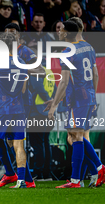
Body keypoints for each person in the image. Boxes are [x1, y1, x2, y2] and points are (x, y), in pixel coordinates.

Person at [45, 21, 105, 188]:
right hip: (87, 98)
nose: (59, 33)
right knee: (74, 136)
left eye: (61, 30)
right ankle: (90, 173)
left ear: (68, 32)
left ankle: (94, 171)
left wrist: (55, 105)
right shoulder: (89, 47)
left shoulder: (67, 52)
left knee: (75, 136)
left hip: (78, 99)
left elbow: (64, 82)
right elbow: (95, 74)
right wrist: (92, 97)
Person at [0, 32, 30, 189]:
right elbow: (23, 90)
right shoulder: (22, 62)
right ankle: (21, 181)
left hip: (2, 108)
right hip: (19, 108)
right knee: (18, 145)